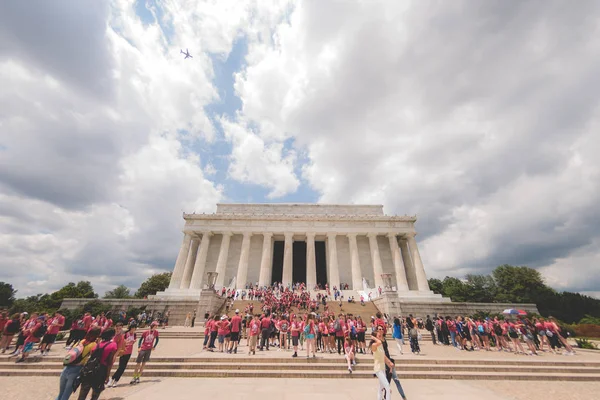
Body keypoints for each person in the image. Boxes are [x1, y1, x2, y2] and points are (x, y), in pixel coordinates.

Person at [56, 328, 101, 400]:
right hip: (77, 368)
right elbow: (93, 356)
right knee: (66, 393)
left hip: (68, 366)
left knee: (61, 393)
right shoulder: (93, 344)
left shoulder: (81, 341)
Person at [77, 328, 117, 400]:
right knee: (95, 395)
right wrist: (107, 375)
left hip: (89, 369)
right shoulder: (113, 345)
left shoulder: (97, 345)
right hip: (101, 371)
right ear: (112, 336)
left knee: (82, 394)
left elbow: (92, 356)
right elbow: (109, 362)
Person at [370, 326, 394, 400]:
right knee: (387, 386)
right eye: (378, 336)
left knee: (381, 387)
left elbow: (384, 356)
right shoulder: (374, 345)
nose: (380, 336)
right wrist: (374, 338)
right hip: (378, 368)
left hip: (382, 367)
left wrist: (389, 364)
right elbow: (379, 342)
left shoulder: (380, 346)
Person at [108, 323, 134, 388]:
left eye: (120, 328)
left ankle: (114, 380)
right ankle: (111, 380)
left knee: (122, 367)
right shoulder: (113, 335)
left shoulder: (122, 335)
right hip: (113, 353)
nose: (118, 330)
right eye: (117, 328)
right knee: (118, 367)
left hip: (124, 352)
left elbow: (120, 347)